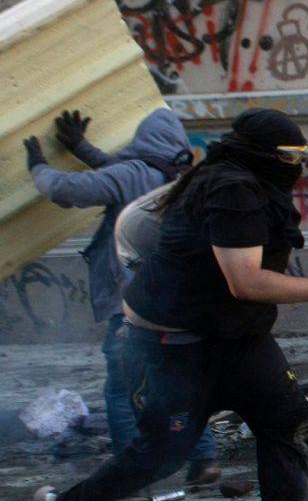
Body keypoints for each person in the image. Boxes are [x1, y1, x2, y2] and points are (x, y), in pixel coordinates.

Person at [31, 109, 308, 501]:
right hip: (173, 346)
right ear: (265, 155)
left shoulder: (239, 180)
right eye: (291, 157)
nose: (297, 165)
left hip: (235, 337)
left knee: (286, 417)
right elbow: (245, 280)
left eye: (302, 156)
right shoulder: (231, 188)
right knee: (161, 455)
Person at [24, 107, 219, 481]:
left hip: (134, 305)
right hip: (178, 303)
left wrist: (37, 166)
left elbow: (66, 190)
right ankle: (204, 458)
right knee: (179, 383)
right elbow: (123, 172)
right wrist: (83, 149)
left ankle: (131, 480)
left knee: (122, 392)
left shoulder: (134, 176)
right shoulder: (181, 180)